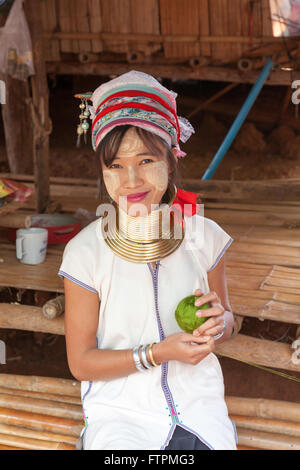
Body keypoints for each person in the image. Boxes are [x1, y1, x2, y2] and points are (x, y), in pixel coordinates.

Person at [58, 71, 242, 451]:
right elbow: (81, 362)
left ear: (171, 160)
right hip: (121, 416)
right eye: (115, 166)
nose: (131, 179)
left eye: (146, 160)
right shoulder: (85, 252)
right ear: (103, 171)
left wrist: (216, 323)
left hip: (199, 409)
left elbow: (229, 321)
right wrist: (158, 353)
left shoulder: (204, 236)